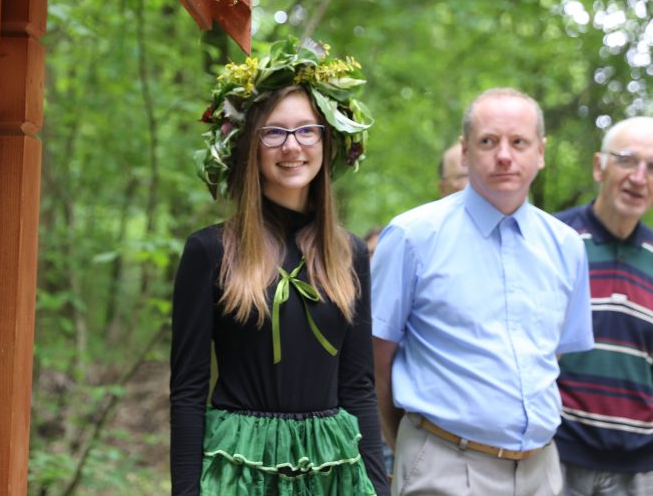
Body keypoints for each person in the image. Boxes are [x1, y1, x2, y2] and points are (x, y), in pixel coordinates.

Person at [171, 39, 389, 495]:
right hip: (238, 465)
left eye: (306, 130)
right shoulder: (211, 251)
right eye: (274, 132)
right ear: (251, 144)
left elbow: (359, 387)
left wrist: (378, 487)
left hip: (330, 467)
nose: (292, 147)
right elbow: (188, 392)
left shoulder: (349, 254)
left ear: (326, 140)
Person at [370, 87, 594, 495]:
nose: (504, 155)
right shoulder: (412, 237)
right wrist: (406, 445)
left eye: (519, 142)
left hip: (541, 471)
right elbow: (376, 360)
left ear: (540, 152)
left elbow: (551, 354)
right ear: (465, 150)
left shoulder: (567, 246)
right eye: (488, 141)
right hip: (445, 463)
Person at [553, 116, 653, 496]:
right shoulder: (552, 239)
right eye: (627, 160)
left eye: (652, 167)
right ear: (600, 166)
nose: (639, 177)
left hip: (641, 472)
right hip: (553, 458)